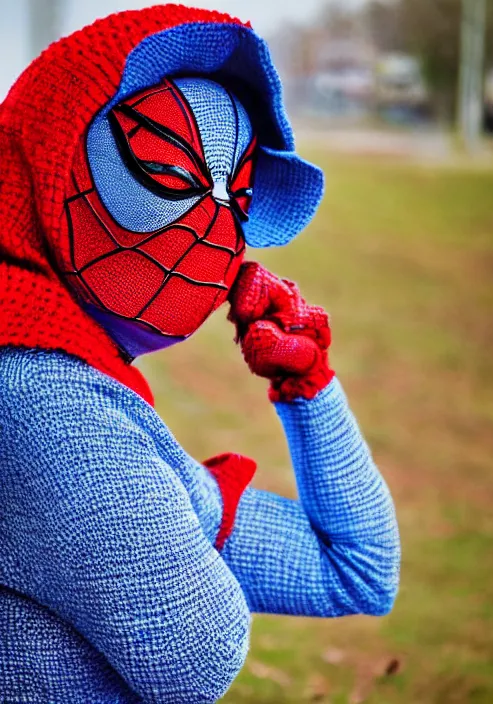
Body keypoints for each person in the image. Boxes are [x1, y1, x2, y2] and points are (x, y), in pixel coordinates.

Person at [0, 5, 400, 703]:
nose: (214, 227)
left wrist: (310, 387)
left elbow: (358, 571)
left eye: (236, 194)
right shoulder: (36, 399)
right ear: (51, 162)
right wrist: (194, 506)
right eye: (167, 170)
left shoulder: (83, 386)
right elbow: (194, 653)